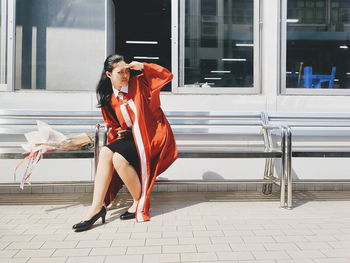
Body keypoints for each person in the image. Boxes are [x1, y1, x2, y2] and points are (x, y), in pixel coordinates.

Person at [72, 54, 178, 231]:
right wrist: (120, 131)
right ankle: (96, 208)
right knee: (108, 153)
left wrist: (143, 66)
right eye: (119, 72)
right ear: (108, 75)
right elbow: (113, 125)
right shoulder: (108, 97)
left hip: (151, 137)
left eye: (127, 71)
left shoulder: (140, 84)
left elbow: (166, 75)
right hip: (130, 139)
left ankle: (139, 201)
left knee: (119, 159)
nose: (125, 75)